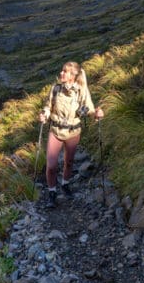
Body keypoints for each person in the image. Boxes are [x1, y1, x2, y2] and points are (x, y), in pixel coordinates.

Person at [38, 61, 104, 207]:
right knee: (51, 165)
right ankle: (52, 192)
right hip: (55, 131)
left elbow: (90, 109)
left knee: (69, 162)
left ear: (73, 76)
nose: (61, 73)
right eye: (62, 71)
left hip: (73, 132)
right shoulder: (55, 89)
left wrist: (98, 113)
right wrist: (44, 114)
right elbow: (48, 106)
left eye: (65, 72)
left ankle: (65, 184)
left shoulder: (82, 91)